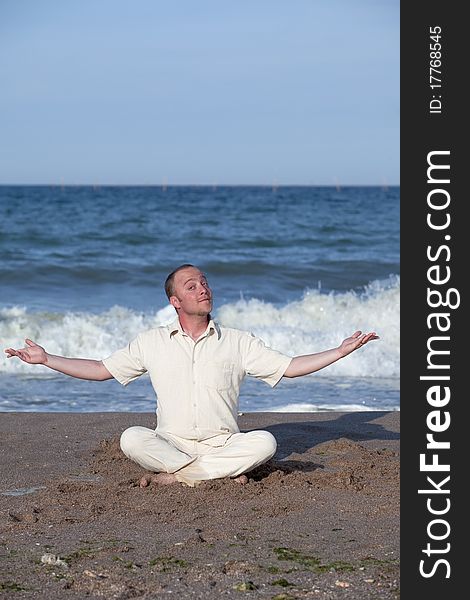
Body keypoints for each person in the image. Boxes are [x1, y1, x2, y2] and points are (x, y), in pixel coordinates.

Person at [4, 264, 378, 488]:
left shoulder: (237, 341)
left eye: (205, 283)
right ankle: (209, 477)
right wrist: (47, 358)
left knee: (264, 442)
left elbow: (290, 367)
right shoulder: (151, 342)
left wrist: (339, 351)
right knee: (132, 438)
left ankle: (178, 479)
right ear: (175, 302)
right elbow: (102, 370)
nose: (204, 289)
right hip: (171, 444)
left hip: (223, 444)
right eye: (192, 286)